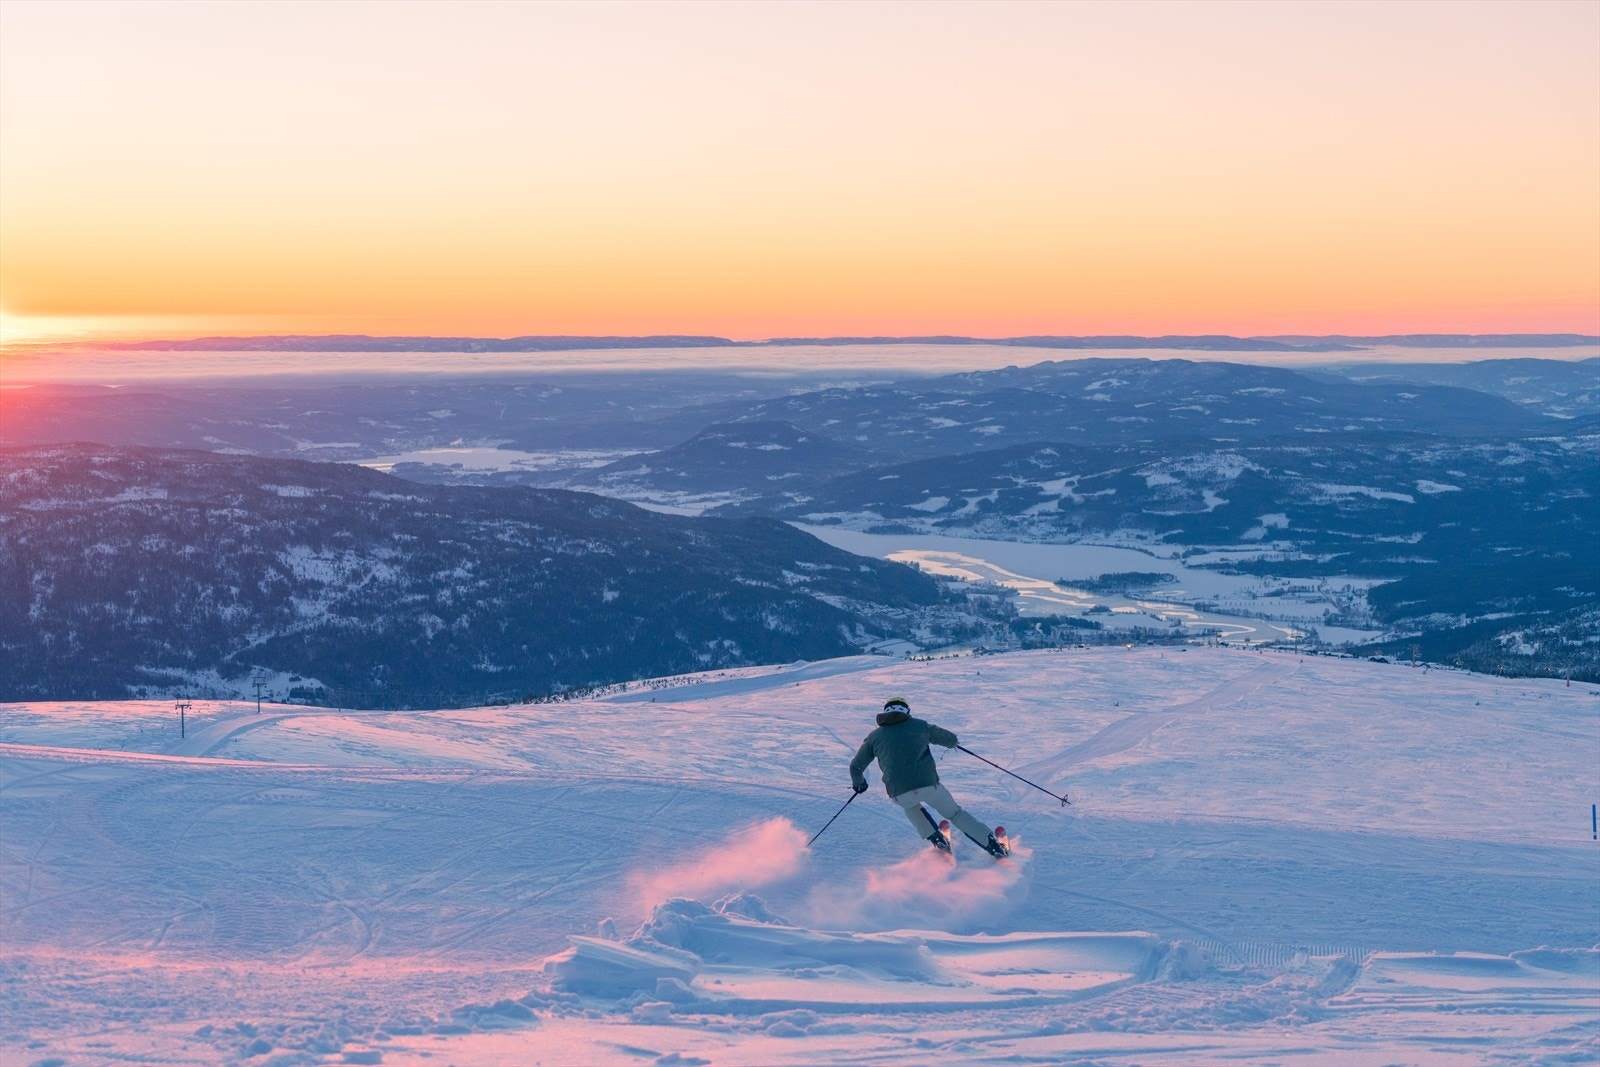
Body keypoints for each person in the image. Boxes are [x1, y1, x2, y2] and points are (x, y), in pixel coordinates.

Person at [849, 696, 1008, 857]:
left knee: (910, 807)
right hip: (928, 784)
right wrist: (952, 743)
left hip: (898, 791)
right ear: (907, 711)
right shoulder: (920, 726)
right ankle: (993, 845)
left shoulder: (874, 737)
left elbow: (856, 766)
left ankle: (935, 838)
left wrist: (859, 784)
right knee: (955, 814)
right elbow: (951, 739)